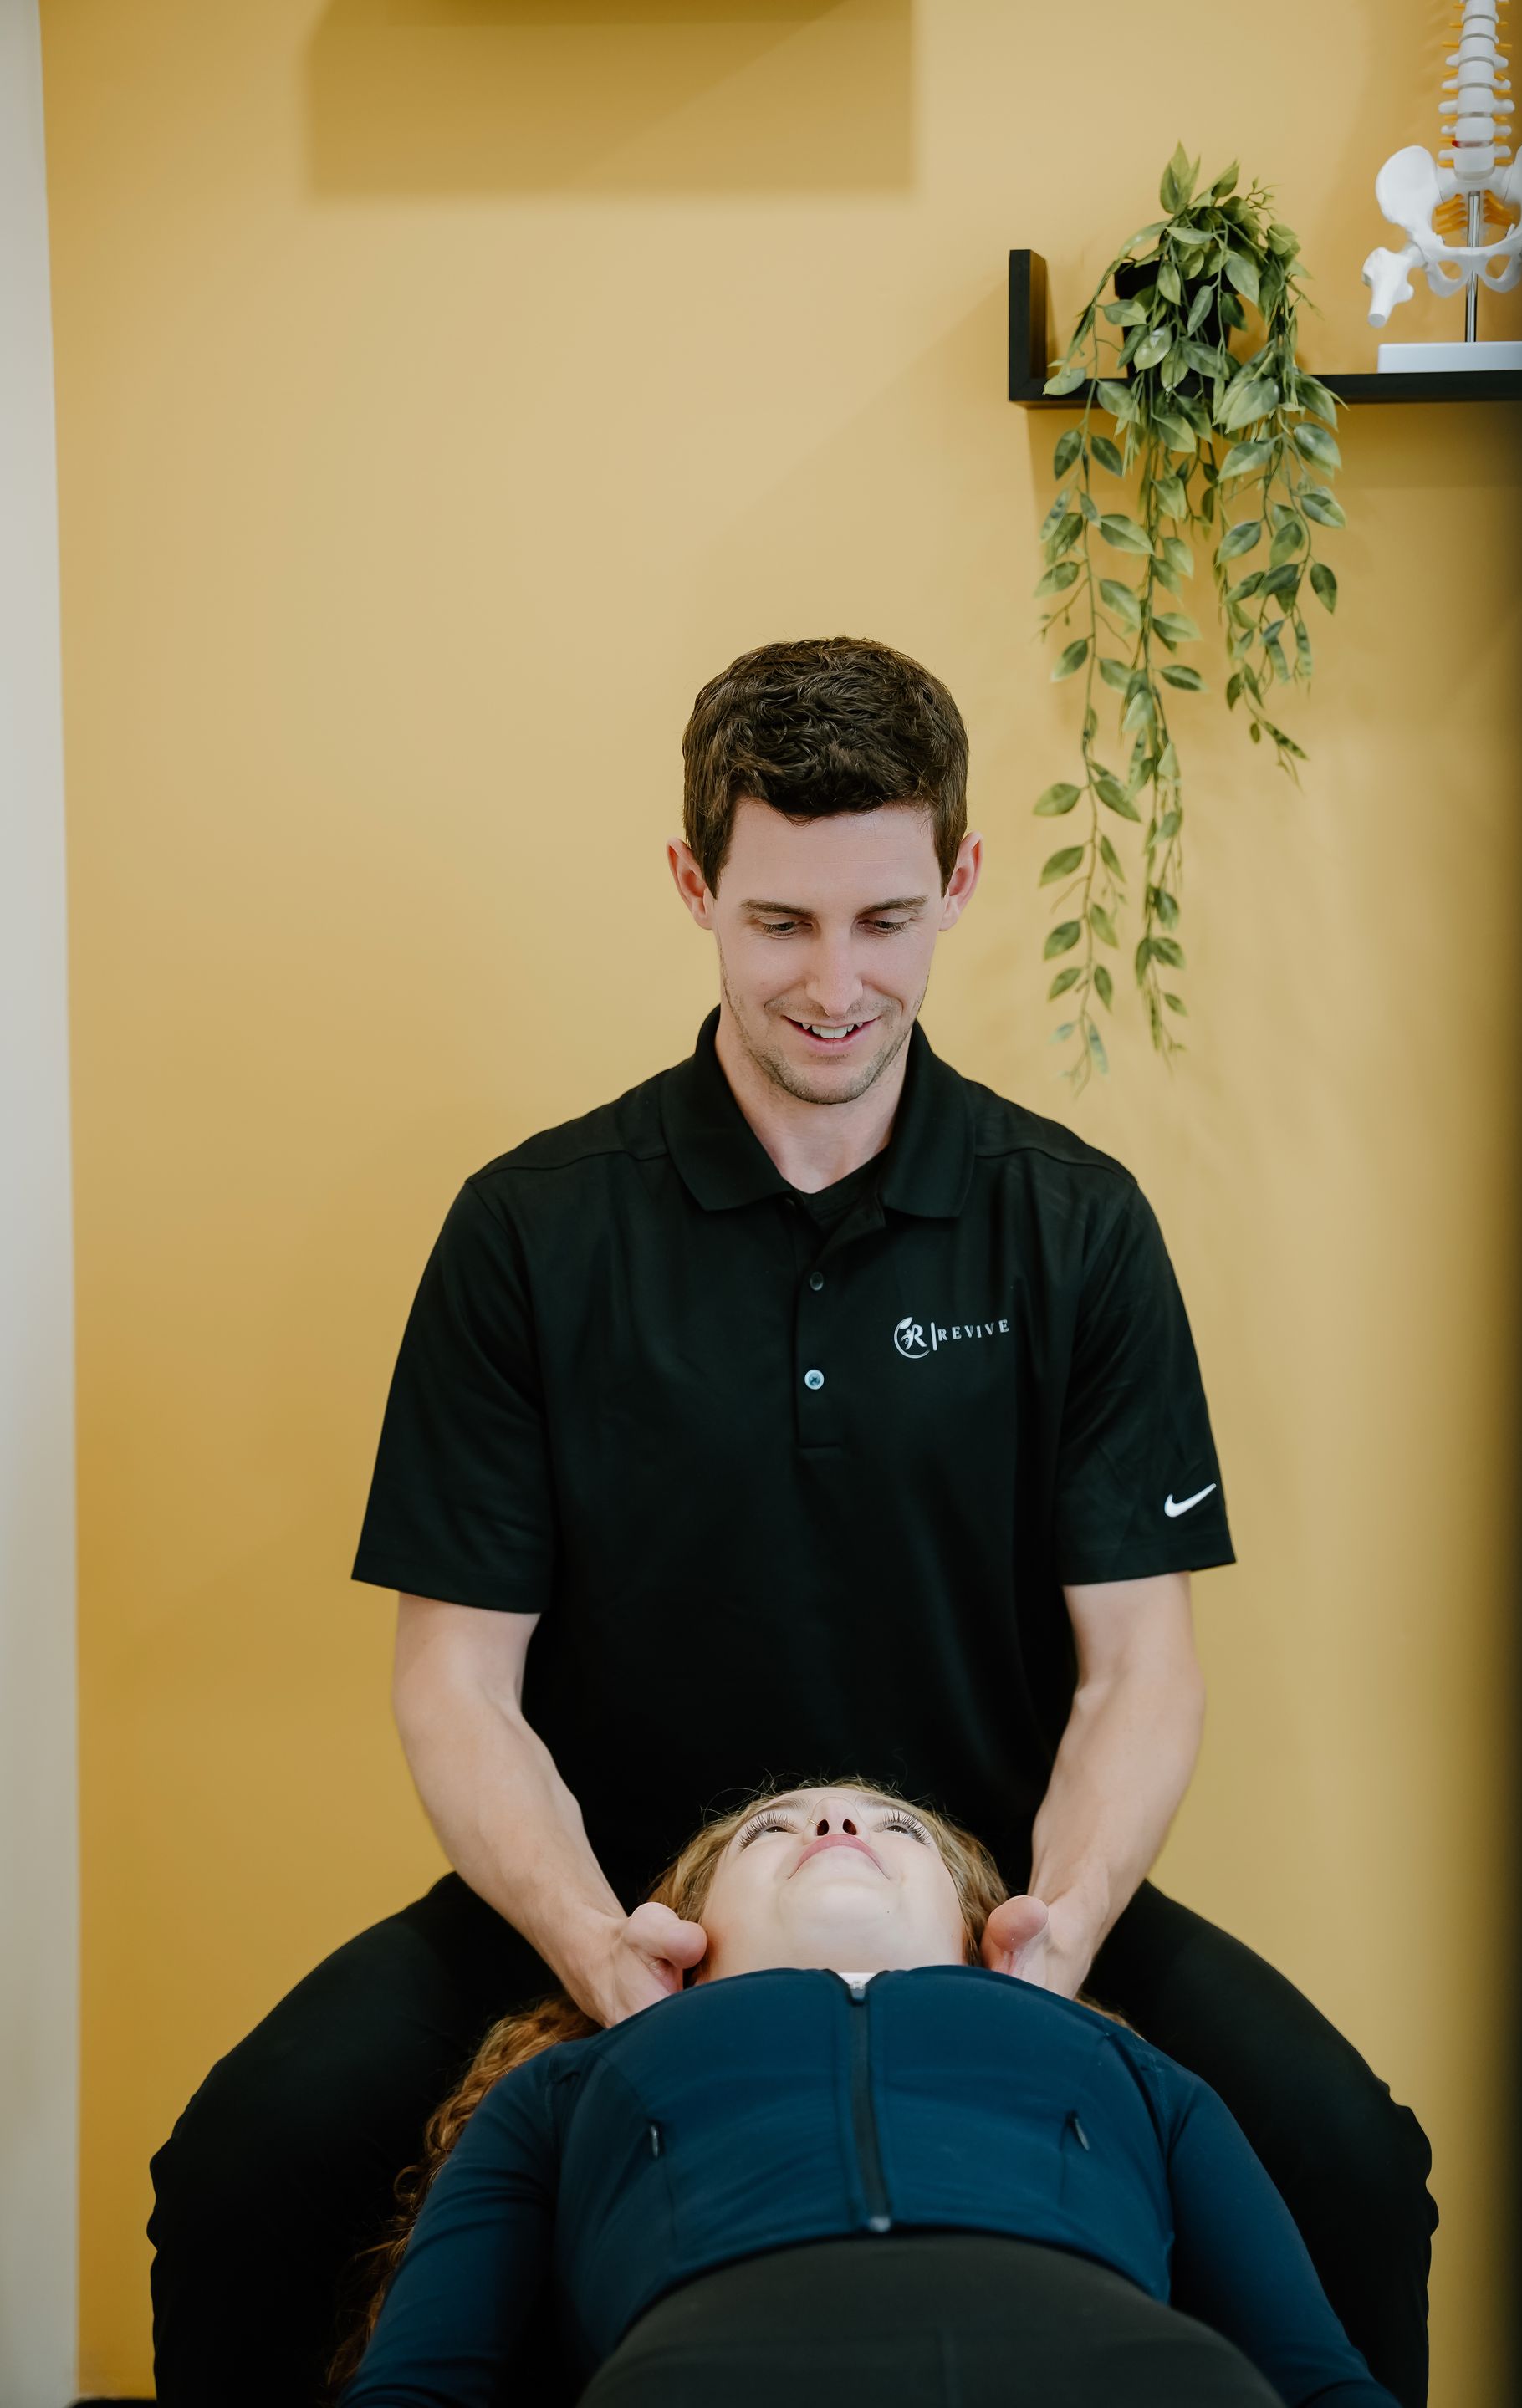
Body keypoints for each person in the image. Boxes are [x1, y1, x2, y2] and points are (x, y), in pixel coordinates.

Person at [149, 637, 1433, 2406]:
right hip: (606, 1891)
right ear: (695, 886)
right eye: (781, 924)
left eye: (886, 919)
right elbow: (456, 1685)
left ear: (964, 881)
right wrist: (604, 1953)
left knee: (1356, 2167)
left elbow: (1139, 1669)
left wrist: (1053, 1932)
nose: (838, 983)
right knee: (237, 2174)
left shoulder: (1073, 1228)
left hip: (983, 1879)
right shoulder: (533, 1233)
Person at [335, 1781, 1397, 2408]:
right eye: (771, 1830)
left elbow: (1320, 2378)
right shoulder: (565, 2086)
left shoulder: (1127, 2068)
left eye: (898, 1830)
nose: (840, 1828)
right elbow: (419, 2386)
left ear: (981, 1930)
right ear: (684, 1943)